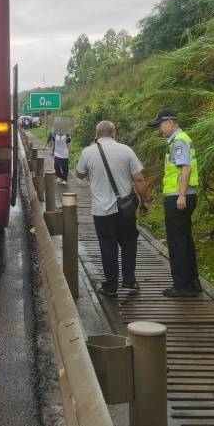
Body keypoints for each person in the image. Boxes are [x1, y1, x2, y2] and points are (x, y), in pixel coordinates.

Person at [75, 120, 150, 297]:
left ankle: (111, 286)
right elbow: (139, 179)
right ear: (114, 133)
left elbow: (79, 174)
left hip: (101, 211)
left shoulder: (88, 152)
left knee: (107, 246)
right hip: (125, 208)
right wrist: (144, 201)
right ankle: (129, 281)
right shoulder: (126, 150)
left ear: (97, 135)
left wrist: (90, 150)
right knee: (129, 243)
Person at [147, 108, 202, 297]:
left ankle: (182, 286)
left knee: (177, 241)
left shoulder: (179, 141)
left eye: (160, 125)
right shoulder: (182, 139)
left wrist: (181, 195)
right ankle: (192, 282)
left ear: (170, 122)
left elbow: (185, 169)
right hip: (185, 195)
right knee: (185, 239)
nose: (159, 130)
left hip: (178, 197)